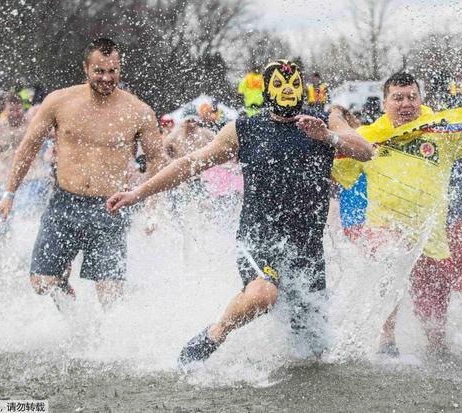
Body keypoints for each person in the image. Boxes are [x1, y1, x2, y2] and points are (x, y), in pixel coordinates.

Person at [107, 59, 374, 369]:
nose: (287, 91)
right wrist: (138, 193)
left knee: (312, 353)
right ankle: (216, 332)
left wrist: (329, 137)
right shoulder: (245, 129)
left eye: (293, 85)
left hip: (306, 247)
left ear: (303, 88)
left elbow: (366, 151)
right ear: (265, 89)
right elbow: (189, 164)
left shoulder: (321, 121)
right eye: (280, 85)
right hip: (259, 237)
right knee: (263, 293)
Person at [333, 72, 462, 357]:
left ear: (421, 99)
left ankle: (437, 347)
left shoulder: (441, 131)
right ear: (385, 102)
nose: (406, 104)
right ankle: (386, 339)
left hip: (431, 238)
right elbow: (339, 171)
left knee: (435, 327)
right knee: (391, 254)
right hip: (384, 227)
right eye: (398, 98)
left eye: (412, 97)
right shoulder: (368, 138)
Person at [0, 38, 165, 308]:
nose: (107, 78)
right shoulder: (60, 102)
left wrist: (152, 208)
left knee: (111, 299)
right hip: (64, 203)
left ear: (120, 68)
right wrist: (8, 194)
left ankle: (103, 346)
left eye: (113, 71)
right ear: (86, 68)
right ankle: (63, 288)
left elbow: (156, 161)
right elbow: (27, 148)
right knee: (41, 283)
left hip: (111, 206)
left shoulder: (139, 112)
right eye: (99, 71)